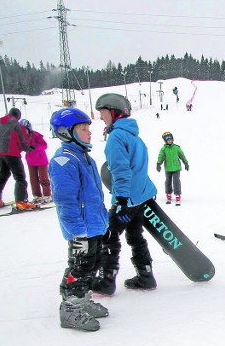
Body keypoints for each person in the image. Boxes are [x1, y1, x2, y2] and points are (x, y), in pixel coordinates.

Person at [49, 107, 109, 331]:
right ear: (66, 132)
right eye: (83, 129)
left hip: (93, 226)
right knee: (80, 267)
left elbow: (95, 196)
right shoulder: (64, 161)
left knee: (90, 265)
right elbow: (66, 201)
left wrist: (103, 221)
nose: (89, 132)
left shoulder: (84, 158)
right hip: (80, 229)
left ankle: (82, 301)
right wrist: (77, 231)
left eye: (88, 128)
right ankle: (71, 310)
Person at [92, 93, 158, 295]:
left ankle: (106, 280)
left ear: (114, 112)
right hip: (139, 197)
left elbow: (121, 170)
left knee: (108, 236)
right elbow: (140, 169)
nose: (101, 118)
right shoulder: (134, 137)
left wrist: (121, 200)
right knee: (135, 235)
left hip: (127, 198)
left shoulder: (116, 137)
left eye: (103, 113)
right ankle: (145, 276)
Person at [0, 107, 35, 210]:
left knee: (2, 175)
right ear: (18, 117)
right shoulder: (16, 124)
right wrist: (27, 148)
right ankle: (21, 202)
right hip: (11, 153)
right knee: (20, 177)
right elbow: (21, 140)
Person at [19, 118, 52, 203]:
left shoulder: (36, 135)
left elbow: (44, 145)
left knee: (43, 178)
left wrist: (35, 148)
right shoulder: (22, 138)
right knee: (33, 179)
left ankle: (47, 195)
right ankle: (37, 195)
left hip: (41, 160)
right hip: (31, 161)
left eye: (24, 130)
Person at [156, 131, 189, 204]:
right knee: (168, 181)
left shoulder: (176, 148)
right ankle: (168, 194)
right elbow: (161, 156)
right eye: (168, 140)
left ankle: (177, 194)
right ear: (165, 141)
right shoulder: (164, 149)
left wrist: (185, 162)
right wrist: (158, 163)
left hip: (176, 168)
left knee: (176, 181)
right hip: (168, 168)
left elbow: (182, 155)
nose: (170, 141)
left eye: (171, 139)